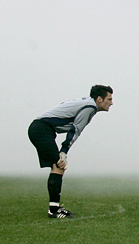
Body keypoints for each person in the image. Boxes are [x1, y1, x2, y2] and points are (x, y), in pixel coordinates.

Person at [27, 85, 114, 219]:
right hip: (41, 129)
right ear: (99, 99)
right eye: (109, 99)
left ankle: (55, 207)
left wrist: (63, 150)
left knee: (58, 166)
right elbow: (76, 129)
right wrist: (64, 150)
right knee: (59, 166)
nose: (111, 103)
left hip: (42, 129)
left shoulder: (88, 104)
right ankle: (53, 210)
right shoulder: (90, 107)